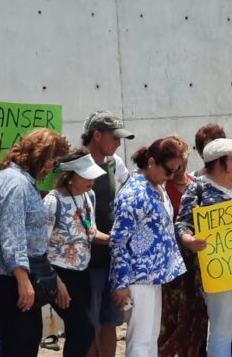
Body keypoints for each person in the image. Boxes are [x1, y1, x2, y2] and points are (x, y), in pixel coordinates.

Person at [176, 138, 232, 357]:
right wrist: (189, 240)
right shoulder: (197, 188)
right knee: (222, 332)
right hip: (222, 273)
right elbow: (182, 224)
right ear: (221, 161)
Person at [0, 128, 70, 357]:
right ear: (39, 154)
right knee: (19, 342)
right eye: (51, 160)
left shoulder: (22, 180)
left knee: (26, 338)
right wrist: (23, 281)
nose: (51, 167)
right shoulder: (15, 183)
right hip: (12, 279)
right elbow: (12, 234)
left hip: (21, 275)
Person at [110, 138, 186, 356]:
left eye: (176, 171)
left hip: (154, 274)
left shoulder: (156, 185)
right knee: (141, 340)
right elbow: (118, 240)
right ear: (152, 162)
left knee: (150, 337)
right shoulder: (134, 194)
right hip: (137, 276)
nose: (172, 176)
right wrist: (121, 282)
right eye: (169, 170)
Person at [43, 149, 109, 356]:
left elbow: (90, 231)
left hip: (83, 272)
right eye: (86, 176)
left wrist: (113, 240)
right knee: (84, 328)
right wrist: (56, 281)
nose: (92, 181)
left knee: (78, 331)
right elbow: (39, 246)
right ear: (70, 176)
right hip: (60, 273)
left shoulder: (89, 196)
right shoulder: (53, 202)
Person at [81, 110, 134, 357]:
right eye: (114, 138)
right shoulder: (77, 164)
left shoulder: (116, 163)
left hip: (111, 257)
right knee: (89, 324)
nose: (118, 143)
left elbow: (129, 190)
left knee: (111, 321)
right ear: (96, 135)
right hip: (85, 260)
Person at [158, 135, 208, 357]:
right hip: (170, 267)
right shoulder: (160, 187)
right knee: (171, 321)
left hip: (197, 265)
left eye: (182, 157)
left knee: (196, 320)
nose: (179, 164)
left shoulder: (197, 186)